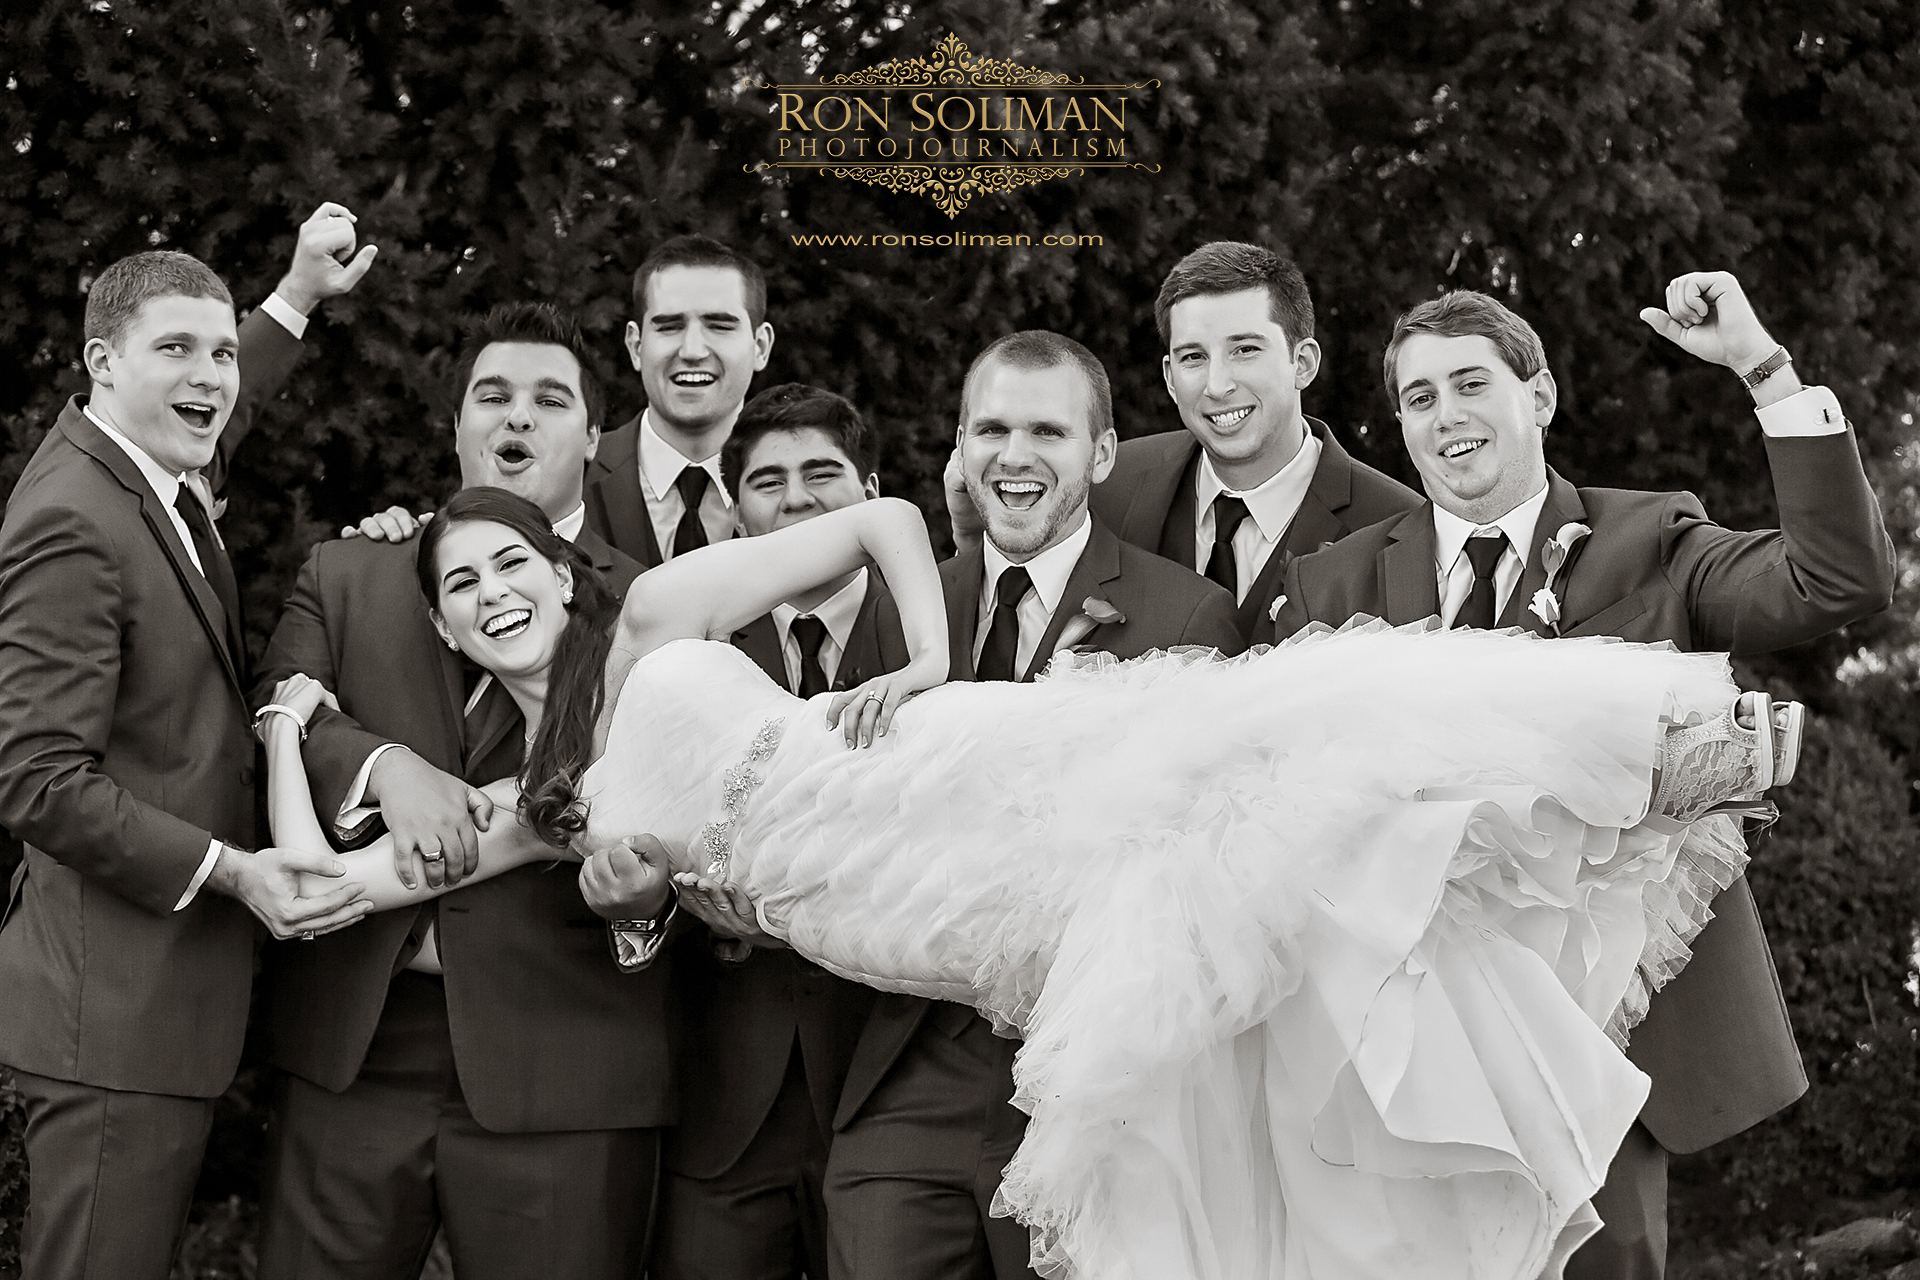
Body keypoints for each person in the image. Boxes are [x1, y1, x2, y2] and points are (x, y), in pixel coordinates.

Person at [259, 472, 1799, 1280]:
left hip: (927, 775)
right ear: (453, 632)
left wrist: (924, 655)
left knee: (1240, 762)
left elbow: (868, 520)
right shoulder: (542, 800)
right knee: (1221, 975)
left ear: (555, 567)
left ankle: (1655, 752)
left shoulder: (657, 616)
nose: (492, 592)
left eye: (511, 564)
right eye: (462, 588)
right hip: (903, 922)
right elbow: (332, 884)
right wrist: (291, 727)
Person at [1277, 271, 1895, 1277]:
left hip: (1603, 1032)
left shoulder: (1649, 541)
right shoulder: (1335, 582)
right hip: (1404, 1044)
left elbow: (1836, 582)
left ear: (1542, 395)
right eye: (1419, 397)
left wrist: (1762, 366)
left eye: (1471, 382)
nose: (1447, 415)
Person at [249, 303, 664, 1280]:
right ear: (457, 427)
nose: (515, 419)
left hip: (567, 1062)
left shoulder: (646, 598)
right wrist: (386, 766)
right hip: (358, 1046)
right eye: (492, 395)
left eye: (548, 398)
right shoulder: (354, 569)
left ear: (592, 439)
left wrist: (647, 911)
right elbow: (279, 704)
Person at [829, 330, 1244, 1280]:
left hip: (1090, 1079)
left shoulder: (1185, 616)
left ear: (1100, 454)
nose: (1013, 457)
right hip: (907, 1070)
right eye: (991, 430)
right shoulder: (903, 606)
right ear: (960, 448)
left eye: (1047, 432)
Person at [0, 230, 372, 1280]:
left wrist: (294, 295)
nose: (211, 378)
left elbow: (221, 407)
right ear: (102, 363)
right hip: (112, 1012)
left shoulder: (141, 465)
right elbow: (34, 777)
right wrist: (235, 870)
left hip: (153, 1011)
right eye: (178, 350)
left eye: (221, 352)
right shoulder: (73, 521)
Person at [631, 383, 909, 1280]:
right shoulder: (691, 652)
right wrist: (664, 901)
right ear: (735, 508)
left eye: (823, 474)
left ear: (871, 487)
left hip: (890, 1083)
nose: (796, 500)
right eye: (768, 482)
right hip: (725, 1092)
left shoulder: (938, 623)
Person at [946, 242, 1419, 646]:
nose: (1217, 385)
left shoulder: (1395, 527)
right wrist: (970, 540)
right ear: (1170, 378)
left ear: (1303, 363)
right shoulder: (1104, 482)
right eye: (1194, 357)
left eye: (1245, 350)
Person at [583, 233, 774, 564]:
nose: (693, 351)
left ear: (760, 346)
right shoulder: (573, 477)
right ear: (636, 346)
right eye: (669, 326)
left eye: (720, 326)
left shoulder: (804, 492)